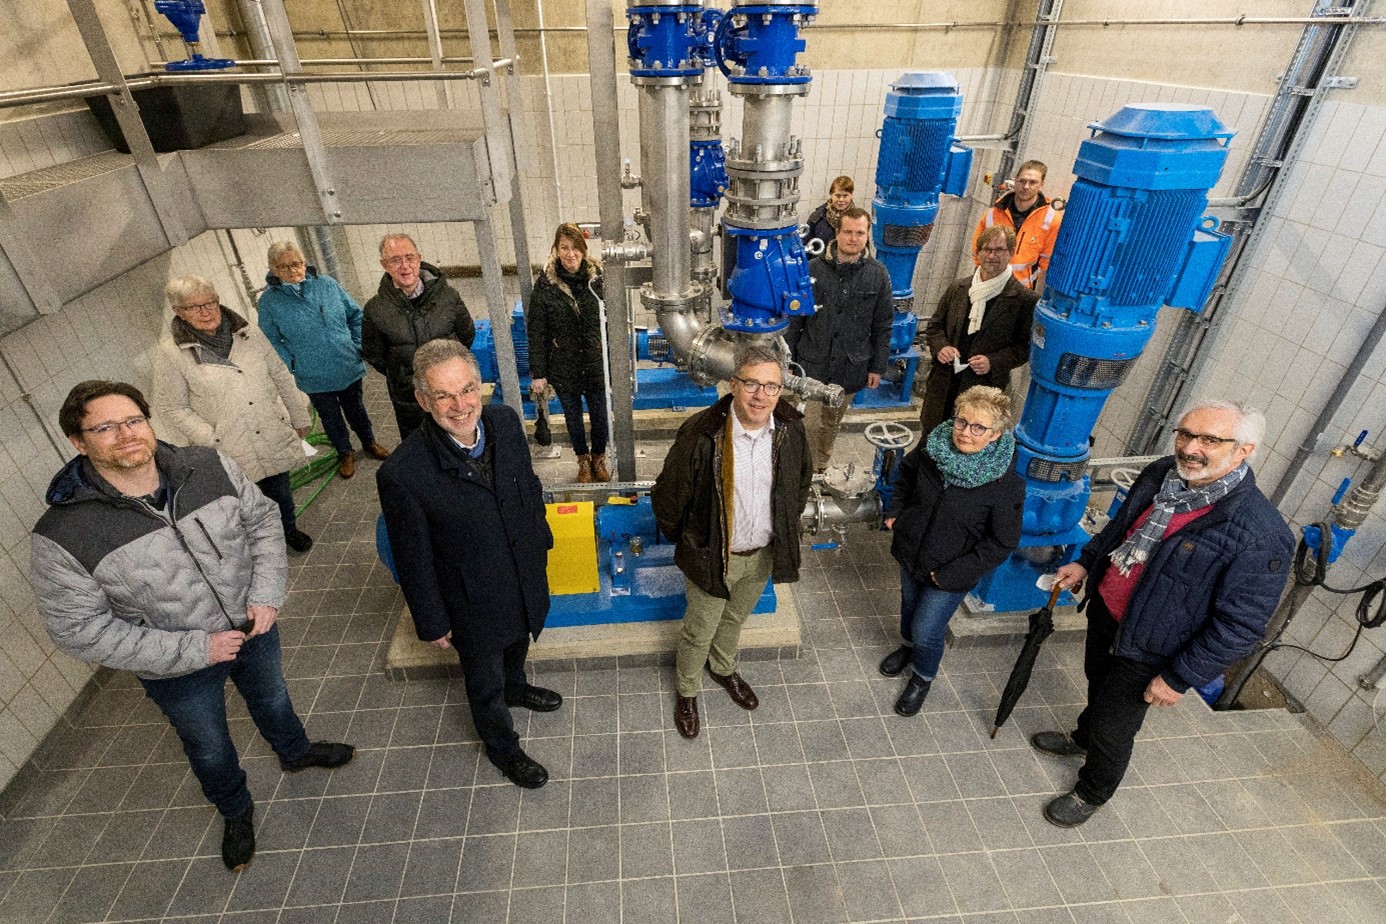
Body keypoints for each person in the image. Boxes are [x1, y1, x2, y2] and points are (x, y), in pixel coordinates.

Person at [30, 380, 354, 872]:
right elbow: (78, 629)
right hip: (176, 664)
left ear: (149, 420)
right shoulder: (63, 534)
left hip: (252, 626)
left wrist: (265, 594)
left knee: (272, 698)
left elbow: (264, 521)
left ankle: (296, 751)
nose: (126, 434)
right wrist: (195, 650)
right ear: (78, 442)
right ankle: (236, 811)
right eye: (105, 427)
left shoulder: (209, 466)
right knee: (207, 743)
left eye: (133, 420)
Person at [1033, 399, 1293, 827]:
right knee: (1097, 687)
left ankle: (1091, 791)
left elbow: (1241, 625)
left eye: (1210, 439)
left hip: (1153, 648)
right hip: (1108, 615)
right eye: (1186, 433)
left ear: (1244, 450)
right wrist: (1087, 561)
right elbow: (1122, 529)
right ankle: (1082, 737)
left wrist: (1179, 677)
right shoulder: (1162, 474)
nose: (1190, 447)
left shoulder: (1260, 535)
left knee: (1115, 727)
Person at [376, 339, 560, 789]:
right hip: (470, 597)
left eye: (468, 389)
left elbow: (528, 486)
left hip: (521, 570)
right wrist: (432, 620)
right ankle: (503, 748)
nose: (460, 406)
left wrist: (539, 537)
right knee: (483, 681)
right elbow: (412, 557)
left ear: (482, 387)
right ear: (422, 400)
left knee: (519, 640)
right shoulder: (403, 473)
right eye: (444, 395)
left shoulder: (505, 423)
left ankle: (516, 686)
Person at [652, 343, 813, 739]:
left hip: (761, 554)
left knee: (734, 619)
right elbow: (668, 496)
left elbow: (800, 482)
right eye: (751, 384)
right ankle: (687, 691)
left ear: (781, 390)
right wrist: (691, 540)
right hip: (713, 555)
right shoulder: (702, 434)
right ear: (732, 384)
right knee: (699, 629)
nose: (761, 396)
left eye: (771, 387)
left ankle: (723, 669)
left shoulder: (790, 430)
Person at [880, 386, 1024, 715]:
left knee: (927, 629)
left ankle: (922, 677)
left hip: (950, 572)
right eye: (961, 422)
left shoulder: (1006, 483)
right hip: (911, 551)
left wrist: (952, 574)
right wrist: (896, 512)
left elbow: (1002, 542)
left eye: (978, 427)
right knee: (907, 608)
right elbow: (907, 473)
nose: (965, 433)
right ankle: (906, 650)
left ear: (996, 434)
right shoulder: (934, 447)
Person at [153, 275, 315, 554]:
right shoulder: (172, 353)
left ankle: (288, 530)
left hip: (268, 430)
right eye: (195, 307)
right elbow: (172, 407)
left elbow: (279, 374)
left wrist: (298, 416)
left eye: (211, 302)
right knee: (242, 502)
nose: (206, 311)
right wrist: (209, 437)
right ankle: (261, 548)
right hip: (228, 445)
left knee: (280, 493)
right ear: (179, 311)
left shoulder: (248, 332)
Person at [257, 242, 391, 480]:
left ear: (305, 262)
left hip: (346, 363)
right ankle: (345, 453)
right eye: (283, 266)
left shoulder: (327, 285)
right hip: (313, 374)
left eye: (296, 263)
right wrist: (293, 363)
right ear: (273, 270)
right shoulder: (269, 302)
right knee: (331, 418)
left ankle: (369, 443)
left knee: (356, 409)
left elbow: (356, 315)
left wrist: (358, 345)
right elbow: (270, 340)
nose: (292, 270)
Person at [785, 206, 892, 472]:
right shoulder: (813, 270)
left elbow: (883, 324)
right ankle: (806, 472)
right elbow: (795, 319)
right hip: (813, 364)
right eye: (848, 232)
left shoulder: (878, 275)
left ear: (868, 236)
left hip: (850, 366)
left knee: (832, 422)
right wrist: (788, 358)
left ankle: (821, 466)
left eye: (860, 233)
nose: (853, 238)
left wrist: (878, 366)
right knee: (809, 422)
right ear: (837, 233)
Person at [919, 225, 1037, 435]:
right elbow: (935, 325)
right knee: (931, 438)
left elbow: (1025, 348)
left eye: (999, 250)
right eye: (987, 249)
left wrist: (993, 362)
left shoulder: (1024, 300)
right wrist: (941, 347)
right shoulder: (959, 288)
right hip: (943, 387)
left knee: (968, 444)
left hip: (983, 389)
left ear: (1011, 253)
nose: (992, 255)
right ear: (978, 252)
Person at [362, 233, 476, 441]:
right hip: (408, 395)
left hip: (451, 390)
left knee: (459, 438)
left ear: (419, 258)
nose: (405, 266)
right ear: (384, 265)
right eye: (395, 260)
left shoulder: (448, 297)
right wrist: (402, 373)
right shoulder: (375, 309)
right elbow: (374, 355)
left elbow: (466, 335)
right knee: (420, 445)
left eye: (410, 258)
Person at [526, 222, 610, 483]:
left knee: (600, 415)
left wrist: (615, 361)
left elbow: (615, 321)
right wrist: (538, 373)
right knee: (573, 416)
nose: (570, 254)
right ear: (556, 249)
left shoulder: (599, 280)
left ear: (583, 250)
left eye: (575, 248)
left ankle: (598, 457)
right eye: (564, 248)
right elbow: (536, 332)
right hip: (564, 365)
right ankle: (582, 460)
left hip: (596, 362)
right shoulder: (545, 286)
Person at [973, 159, 1062, 293]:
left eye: (1033, 182)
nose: (1026, 186)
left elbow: (1046, 265)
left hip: (1020, 293)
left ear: (1041, 185)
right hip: (989, 286)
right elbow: (978, 252)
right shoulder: (993, 214)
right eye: (1022, 181)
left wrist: (1036, 300)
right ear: (1015, 181)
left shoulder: (1051, 220)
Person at [802, 175, 854, 254]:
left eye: (845, 196)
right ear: (831, 194)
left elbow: (864, 249)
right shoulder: (817, 217)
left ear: (851, 195)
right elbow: (805, 245)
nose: (841, 200)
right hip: (819, 264)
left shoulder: (857, 220)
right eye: (837, 195)